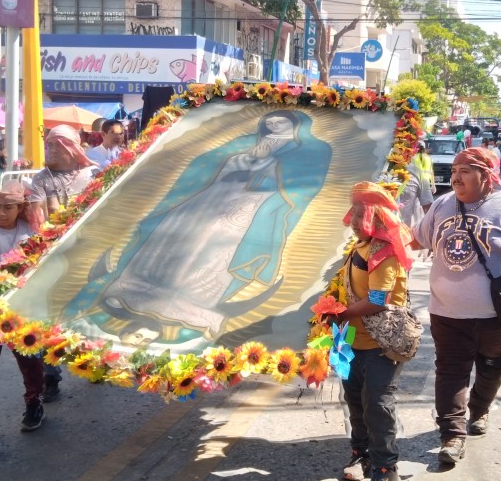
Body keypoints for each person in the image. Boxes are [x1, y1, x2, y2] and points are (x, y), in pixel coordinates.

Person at [64, 110, 330, 347]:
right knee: (177, 224)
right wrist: (245, 158)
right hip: (216, 193)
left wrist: (269, 164)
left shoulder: (311, 149)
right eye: (269, 121)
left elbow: (303, 185)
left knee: (215, 234)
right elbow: (210, 163)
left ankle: (194, 295)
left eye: (280, 121)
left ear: (295, 125)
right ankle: (143, 280)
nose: (273, 125)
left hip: (255, 203)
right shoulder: (248, 141)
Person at [412, 148, 501, 463]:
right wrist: (379, 236)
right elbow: (417, 239)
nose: (456, 176)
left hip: (494, 314)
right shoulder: (443, 204)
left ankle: (480, 409)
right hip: (446, 312)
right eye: (455, 170)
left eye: (465, 170)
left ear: (486, 175)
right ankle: (452, 436)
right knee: (450, 372)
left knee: (491, 367)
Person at [339, 181, 412, 481]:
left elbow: (379, 300)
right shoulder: (358, 247)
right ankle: (362, 454)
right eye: (353, 212)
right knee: (355, 399)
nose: (354, 219)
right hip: (354, 341)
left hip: (383, 345)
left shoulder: (383, 253)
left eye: (361, 213)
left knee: (377, 405)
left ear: (376, 216)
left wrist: (340, 313)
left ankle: (386, 470)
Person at [30, 125, 99, 401]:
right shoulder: (40, 179)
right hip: (54, 260)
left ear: (73, 149)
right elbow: (40, 221)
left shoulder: (92, 174)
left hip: (90, 256)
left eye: (56, 145)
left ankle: (92, 362)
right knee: (50, 319)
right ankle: (51, 376)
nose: (50, 150)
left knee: (87, 314)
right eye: (48, 145)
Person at [0, 182, 46, 432]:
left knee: (29, 357)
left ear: (20, 207)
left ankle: (34, 402)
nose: (1, 213)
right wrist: (7, 279)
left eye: (8, 207)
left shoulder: (30, 229)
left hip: (25, 304)